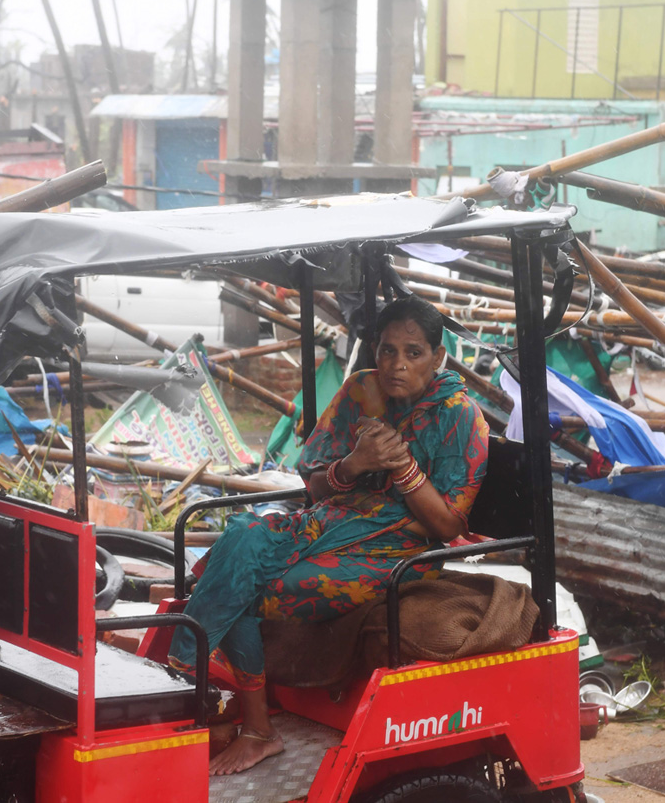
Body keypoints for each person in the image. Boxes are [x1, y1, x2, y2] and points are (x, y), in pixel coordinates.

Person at [169, 295, 490, 776]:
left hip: (395, 548)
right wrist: (355, 463)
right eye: (386, 351)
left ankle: (200, 697)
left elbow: (446, 527)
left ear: (438, 357)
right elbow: (316, 487)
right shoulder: (362, 391)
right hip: (328, 521)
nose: (397, 365)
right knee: (241, 536)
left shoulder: (461, 417)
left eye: (413, 352)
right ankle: (208, 692)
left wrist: (402, 467)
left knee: (248, 584)